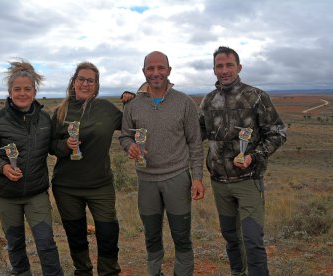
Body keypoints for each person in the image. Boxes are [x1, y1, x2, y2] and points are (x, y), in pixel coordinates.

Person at [199, 46, 287, 276]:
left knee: (252, 240)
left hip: (248, 180)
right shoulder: (208, 101)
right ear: (214, 70)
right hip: (219, 182)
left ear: (239, 67)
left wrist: (254, 156)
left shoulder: (256, 96)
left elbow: (278, 133)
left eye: (229, 65)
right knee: (231, 239)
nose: (225, 70)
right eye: (220, 66)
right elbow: (195, 135)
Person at [119, 51, 205, 276]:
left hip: (177, 178)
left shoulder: (184, 102)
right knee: (152, 235)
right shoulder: (133, 105)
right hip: (146, 180)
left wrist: (197, 177)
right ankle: (155, 272)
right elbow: (125, 136)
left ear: (169, 70)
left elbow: (195, 143)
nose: (156, 73)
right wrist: (130, 147)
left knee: (181, 235)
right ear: (144, 71)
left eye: (160, 68)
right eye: (151, 68)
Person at [0, 59, 64, 276]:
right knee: (15, 243)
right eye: (17, 89)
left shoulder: (44, 119)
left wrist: (69, 145)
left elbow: (53, 147)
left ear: (34, 91)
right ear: (9, 91)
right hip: (6, 195)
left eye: (27, 89)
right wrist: (3, 167)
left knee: (46, 243)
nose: (22, 93)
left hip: (36, 194)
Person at [50, 61, 134, 275]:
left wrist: (133, 101)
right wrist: (64, 146)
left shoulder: (106, 109)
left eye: (91, 80)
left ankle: (108, 271)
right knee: (76, 234)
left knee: (108, 233)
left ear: (96, 85)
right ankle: (83, 270)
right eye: (81, 79)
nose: (85, 84)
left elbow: (131, 124)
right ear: (73, 82)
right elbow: (51, 147)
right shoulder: (60, 111)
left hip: (100, 185)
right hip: (67, 186)